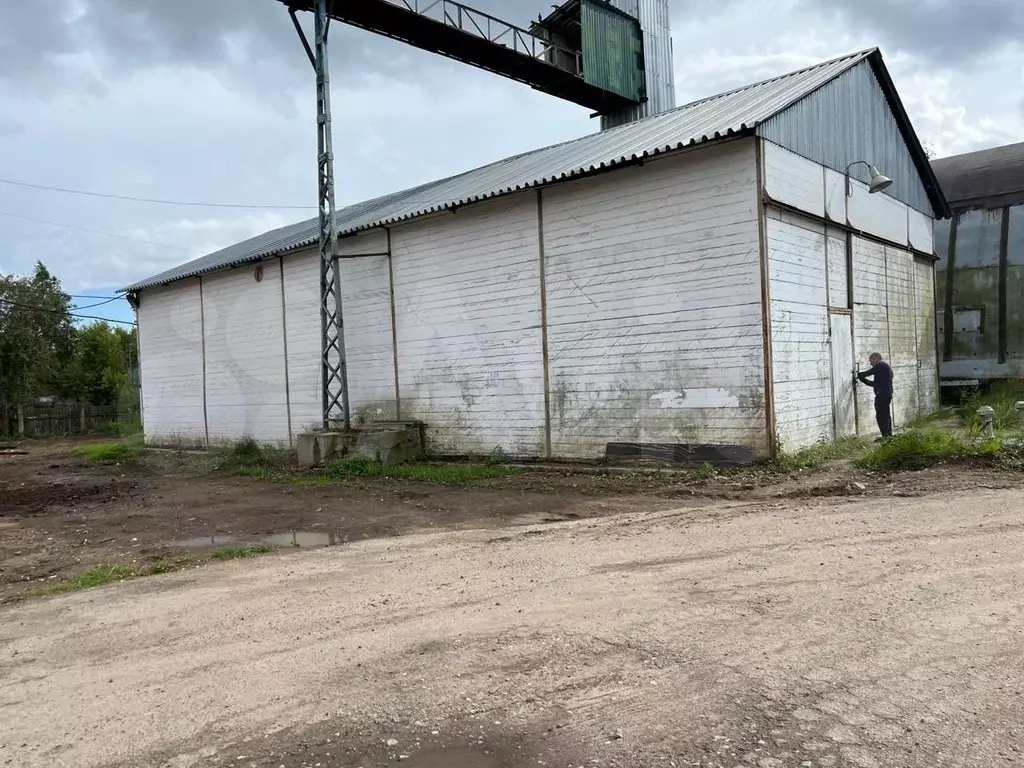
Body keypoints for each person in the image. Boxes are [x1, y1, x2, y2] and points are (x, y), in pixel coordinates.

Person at [856, 353, 894, 439]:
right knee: (885, 415)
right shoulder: (886, 367)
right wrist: (863, 380)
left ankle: (886, 436)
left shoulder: (880, 366)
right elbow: (875, 384)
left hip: (882, 395)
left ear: (876, 358)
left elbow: (867, 373)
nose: (870, 364)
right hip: (887, 394)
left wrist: (859, 375)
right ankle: (888, 436)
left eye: (871, 361)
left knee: (881, 416)